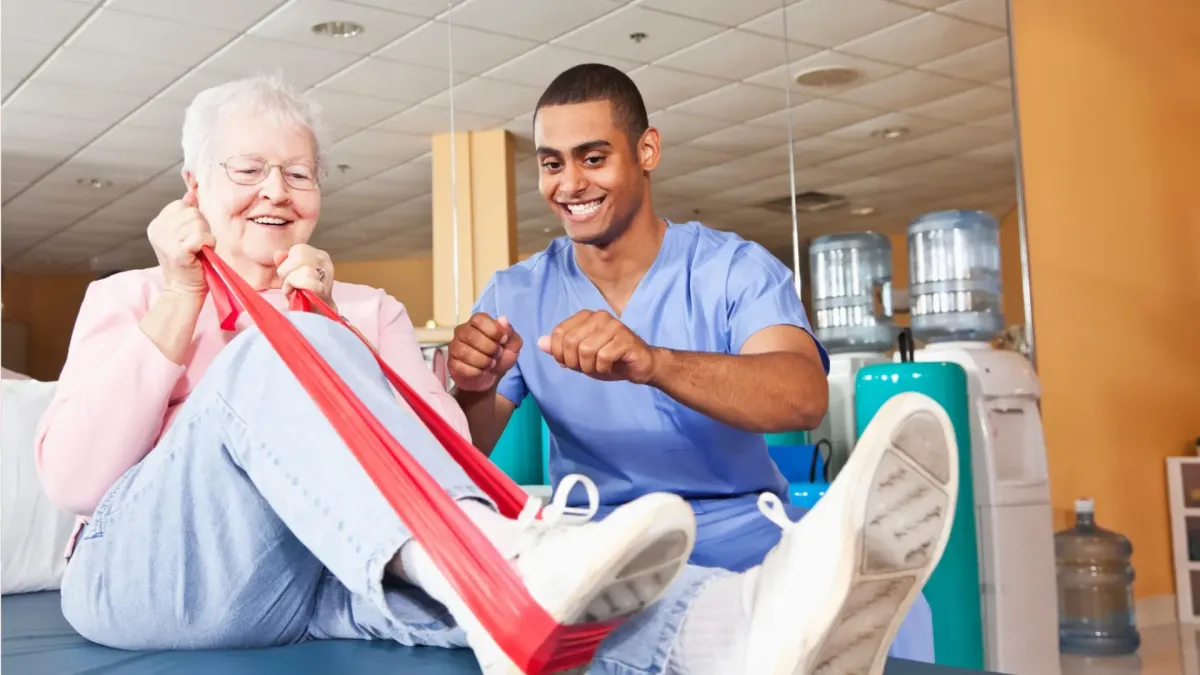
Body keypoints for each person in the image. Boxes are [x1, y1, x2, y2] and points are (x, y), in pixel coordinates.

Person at [35, 74, 958, 675]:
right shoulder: (135, 295)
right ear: (193, 187)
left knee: (515, 582)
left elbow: (434, 463)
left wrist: (336, 329)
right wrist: (189, 300)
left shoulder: (367, 313)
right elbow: (77, 482)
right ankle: (512, 562)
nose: (276, 192)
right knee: (282, 354)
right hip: (149, 571)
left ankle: (735, 622)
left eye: (299, 174)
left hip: (307, 578)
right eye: (247, 171)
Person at [449, 63, 936, 661]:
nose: (569, 183)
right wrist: (472, 388)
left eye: (593, 158)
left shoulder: (734, 268)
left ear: (646, 151)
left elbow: (803, 396)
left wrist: (652, 361)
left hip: (740, 536)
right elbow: (462, 452)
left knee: (904, 619)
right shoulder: (514, 294)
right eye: (553, 163)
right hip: (598, 550)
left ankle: (843, 545)